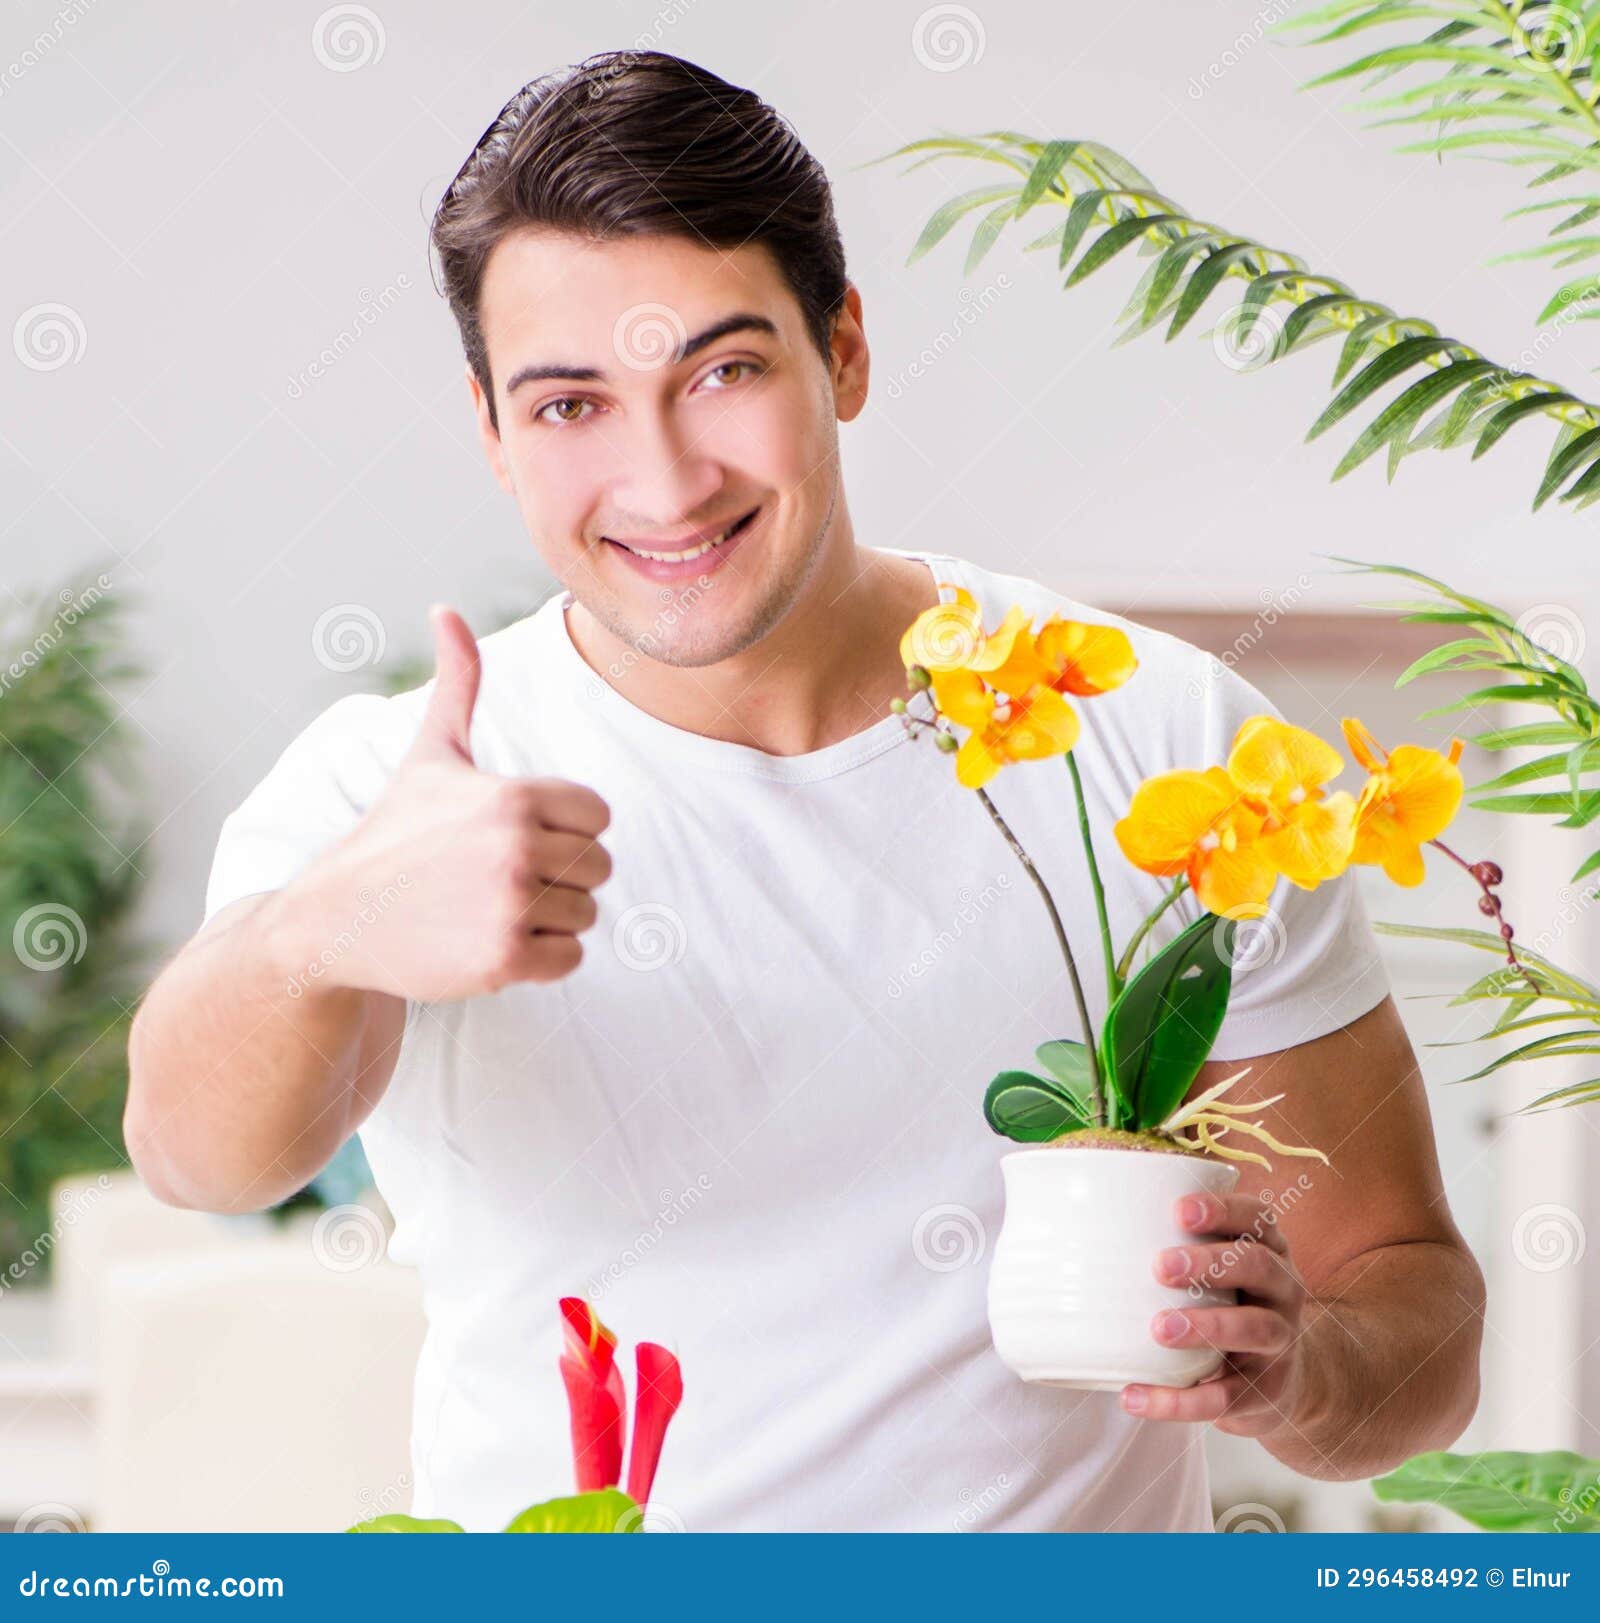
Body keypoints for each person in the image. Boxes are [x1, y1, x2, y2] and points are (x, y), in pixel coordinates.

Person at [125, 49, 1484, 1533]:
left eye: (722, 372)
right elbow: (194, 1157)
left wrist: (1299, 1373)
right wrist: (321, 935)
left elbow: (1412, 1315)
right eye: (572, 404)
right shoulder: (408, 791)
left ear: (842, 350)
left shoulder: (1154, 736)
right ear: (493, 430)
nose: (664, 482)